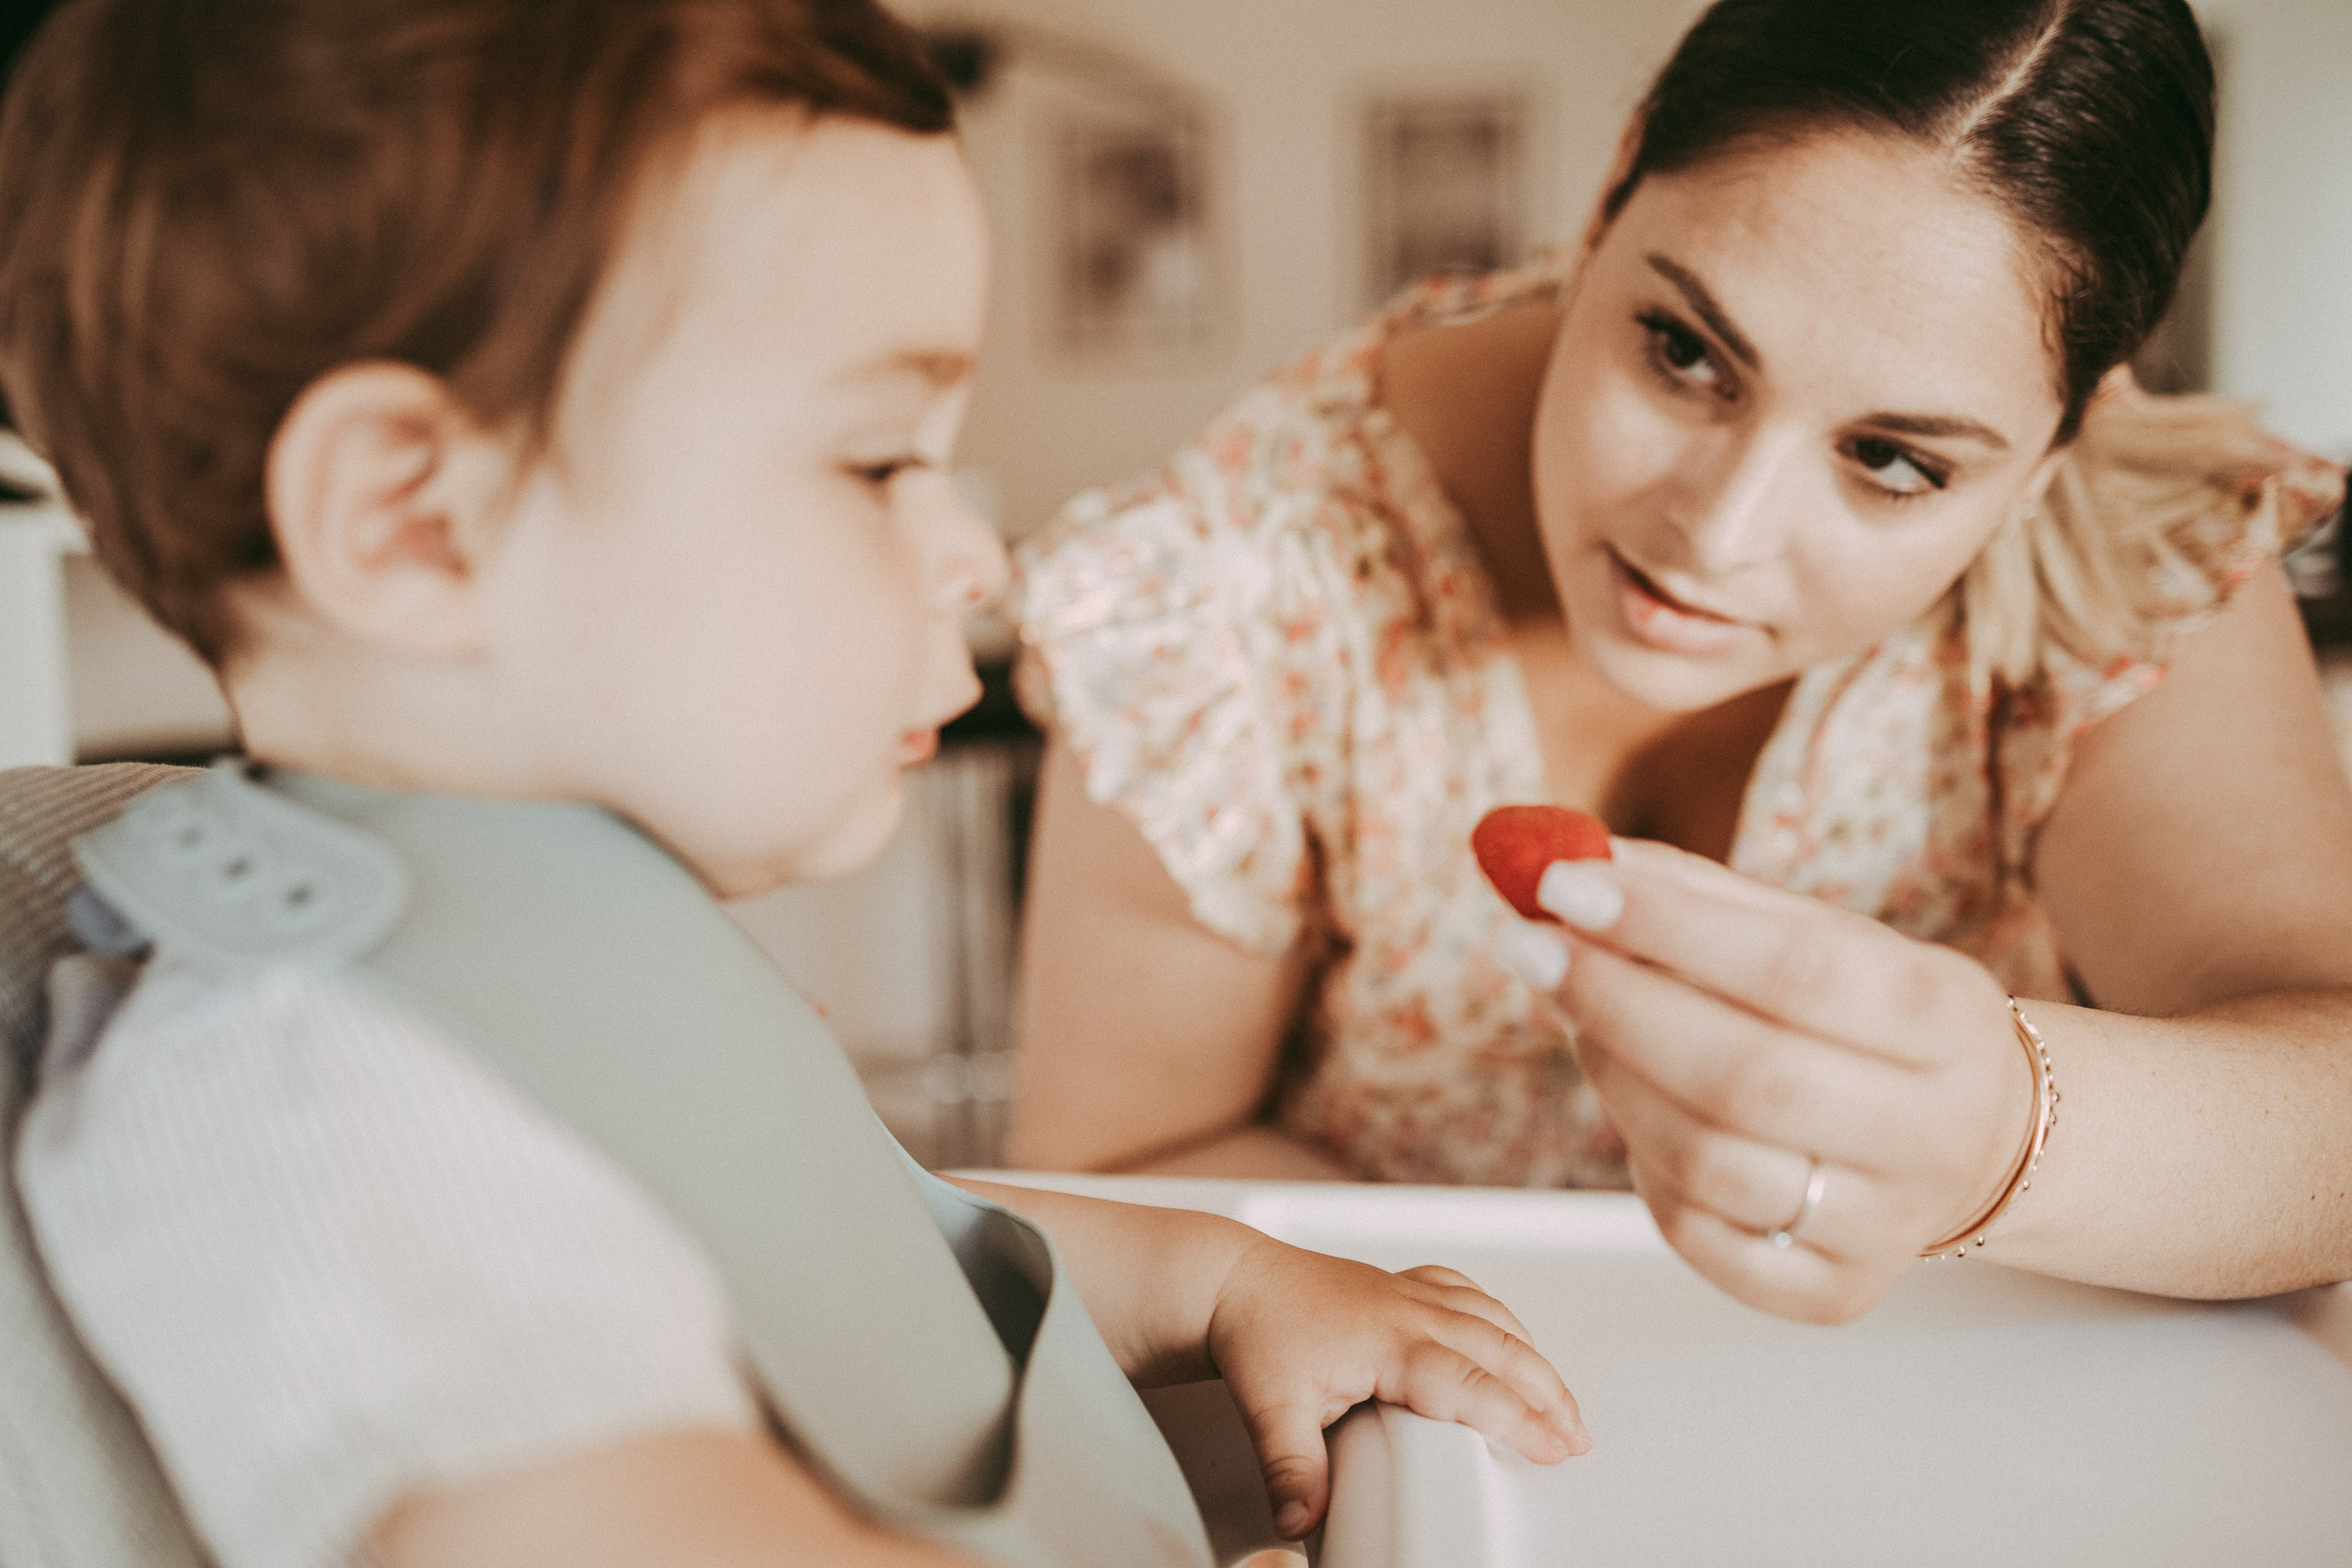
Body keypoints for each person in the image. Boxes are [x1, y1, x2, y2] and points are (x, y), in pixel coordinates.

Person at [0, 2, 1589, 1565]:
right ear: (413, 522)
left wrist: (1223, 1286)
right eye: (879, 461)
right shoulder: (319, 1096)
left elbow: (880, 1264)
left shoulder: (588, 951)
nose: (975, 557)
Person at [1008, 0, 2352, 1323]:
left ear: (2063, 445)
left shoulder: (2132, 550)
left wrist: (2009, 1133)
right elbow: (1118, 1187)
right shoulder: (1230, 586)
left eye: (1892, 460)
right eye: (1684, 352)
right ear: (1614, 185)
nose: (1717, 536)